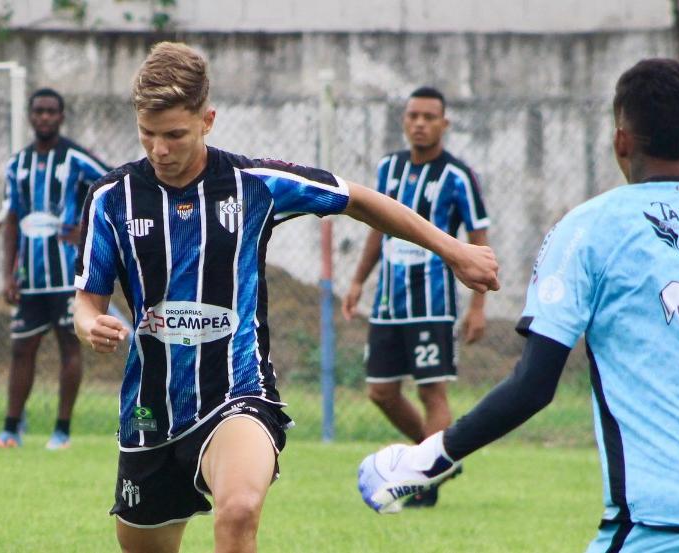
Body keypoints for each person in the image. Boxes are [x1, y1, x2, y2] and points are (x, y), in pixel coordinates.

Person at [72, 42, 498, 553]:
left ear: (208, 120)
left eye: (175, 135)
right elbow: (86, 301)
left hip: (238, 392)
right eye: (148, 135)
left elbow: (357, 199)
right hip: (151, 409)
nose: (160, 149)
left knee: (239, 510)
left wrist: (454, 250)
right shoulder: (111, 198)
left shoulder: (255, 185)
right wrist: (89, 324)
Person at [359, 58, 679, 551]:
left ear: (620, 141)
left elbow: (534, 385)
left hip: (667, 526)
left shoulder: (588, 230)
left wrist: (427, 458)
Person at [342, 87, 489, 505]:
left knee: (431, 392)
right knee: (381, 392)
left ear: (444, 123)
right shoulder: (389, 169)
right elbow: (376, 226)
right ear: (404, 121)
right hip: (389, 303)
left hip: (434, 305)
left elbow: (479, 236)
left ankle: (425, 479)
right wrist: (357, 282)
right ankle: (438, 457)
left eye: (429, 116)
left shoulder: (458, 176)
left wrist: (479, 305)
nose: (420, 123)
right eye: (413, 116)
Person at [0, 88, 109, 450]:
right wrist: (8, 274)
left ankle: (62, 432)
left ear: (61, 116)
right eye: (38, 111)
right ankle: (10, 431)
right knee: (21, 348)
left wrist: (85, 232)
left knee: (69, 346)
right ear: (30, 116)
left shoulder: (77, 159)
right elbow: (11, 221)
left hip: (68, 277)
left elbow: (113, 191)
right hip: (31, 278)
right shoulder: (16, 165)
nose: (44, 117)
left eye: (51, 111)